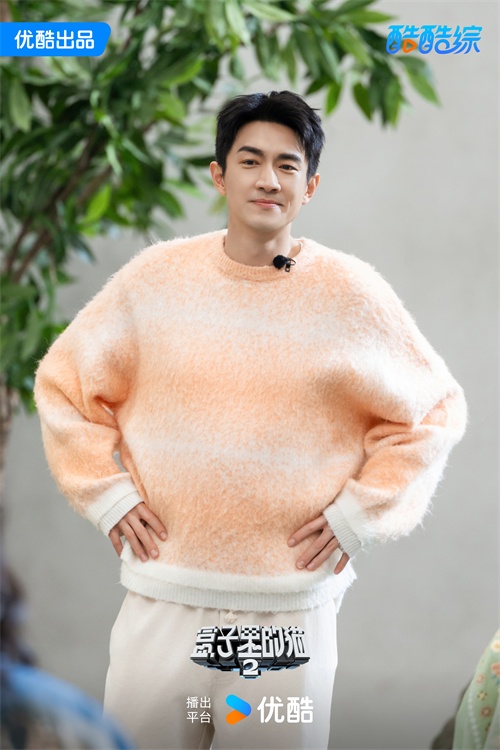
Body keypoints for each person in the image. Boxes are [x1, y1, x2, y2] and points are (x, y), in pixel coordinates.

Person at [33, 90, 467, 750]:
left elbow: (434, 411)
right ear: (219, 174)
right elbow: (65, 384)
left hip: (286, 615)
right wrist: (106, 494)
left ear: (310, 186)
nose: (268, 179)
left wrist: (360, 515)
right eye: (250, 160)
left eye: (288, 165)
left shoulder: (350, 293)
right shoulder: (156, 278)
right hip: (165, 599)